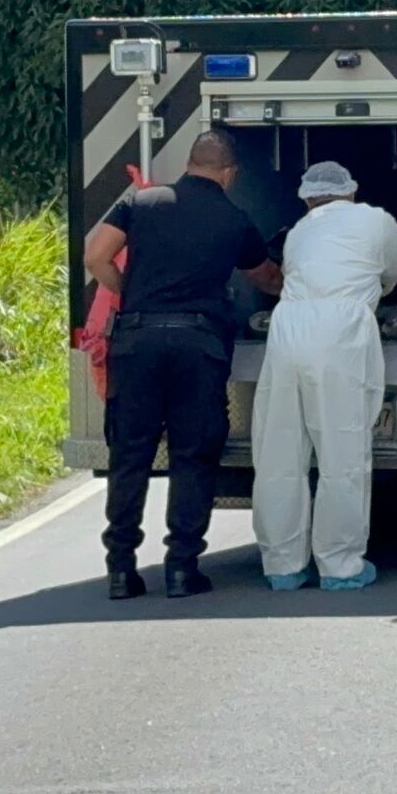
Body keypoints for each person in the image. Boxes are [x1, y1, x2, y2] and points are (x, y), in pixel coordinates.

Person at [82, 130, 281, 599]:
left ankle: (120, 569)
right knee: (193, 454)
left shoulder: (141, 203)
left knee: (129, 455)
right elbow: (267, 278)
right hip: (199, 345)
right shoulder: (233, 219)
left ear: (190, 164)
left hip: (137, 342)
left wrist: (128, 291)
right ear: (229, 173)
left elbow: (95, 256)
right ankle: (181, 567)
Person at [252, 161, 397, 592]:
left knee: (280, 452)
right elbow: (396, 272)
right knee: (342, 452)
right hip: (340, 332)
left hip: (288, 328)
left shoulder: (300, 230)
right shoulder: (377, 220)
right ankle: (340, 565)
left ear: (306, 198)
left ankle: (282, 565)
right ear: (351, 192)